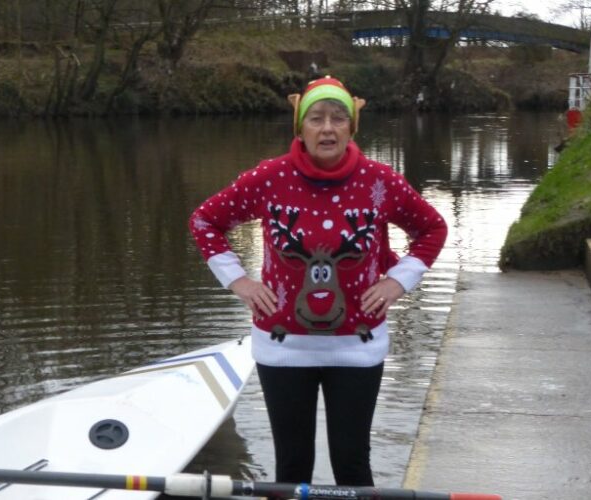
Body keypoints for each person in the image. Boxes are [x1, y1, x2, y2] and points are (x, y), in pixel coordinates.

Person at [189, 76, 447, 487]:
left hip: (357, 348)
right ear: (300, 127)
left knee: (353, 466)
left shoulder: (380, 181)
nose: (327, 128)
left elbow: (432, 229)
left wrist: (397, 281)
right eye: (316, 118)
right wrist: (239, 281)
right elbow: (205, 220)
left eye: (338, 118)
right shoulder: (269, 178)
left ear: (351, 127)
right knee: (291, 470)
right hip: (283, 347)